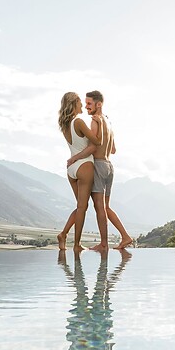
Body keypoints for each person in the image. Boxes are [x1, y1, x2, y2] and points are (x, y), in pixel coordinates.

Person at [66, 90, 133, 252]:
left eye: (89, 104)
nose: (87, 107)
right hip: (109, 166)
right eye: (85, 103)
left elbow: (92, 147)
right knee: (106, 207)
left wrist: (75, 158)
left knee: (99, 207)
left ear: (99, 104)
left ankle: (103, 244)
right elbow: (114, 149)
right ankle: (125, 236)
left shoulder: (95, 122)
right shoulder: (108, 122)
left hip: (99, 166)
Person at [57, 92, 103, 256]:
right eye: (79, 102)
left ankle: (63, 234)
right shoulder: (79, 121)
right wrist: (99, 124)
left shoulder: (65, 124)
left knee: (79, 207)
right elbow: (97, 142)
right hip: (84, 166)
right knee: (82, 208)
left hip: (72, 169)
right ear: (74, 103)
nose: (82, 106)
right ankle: (76, 245)